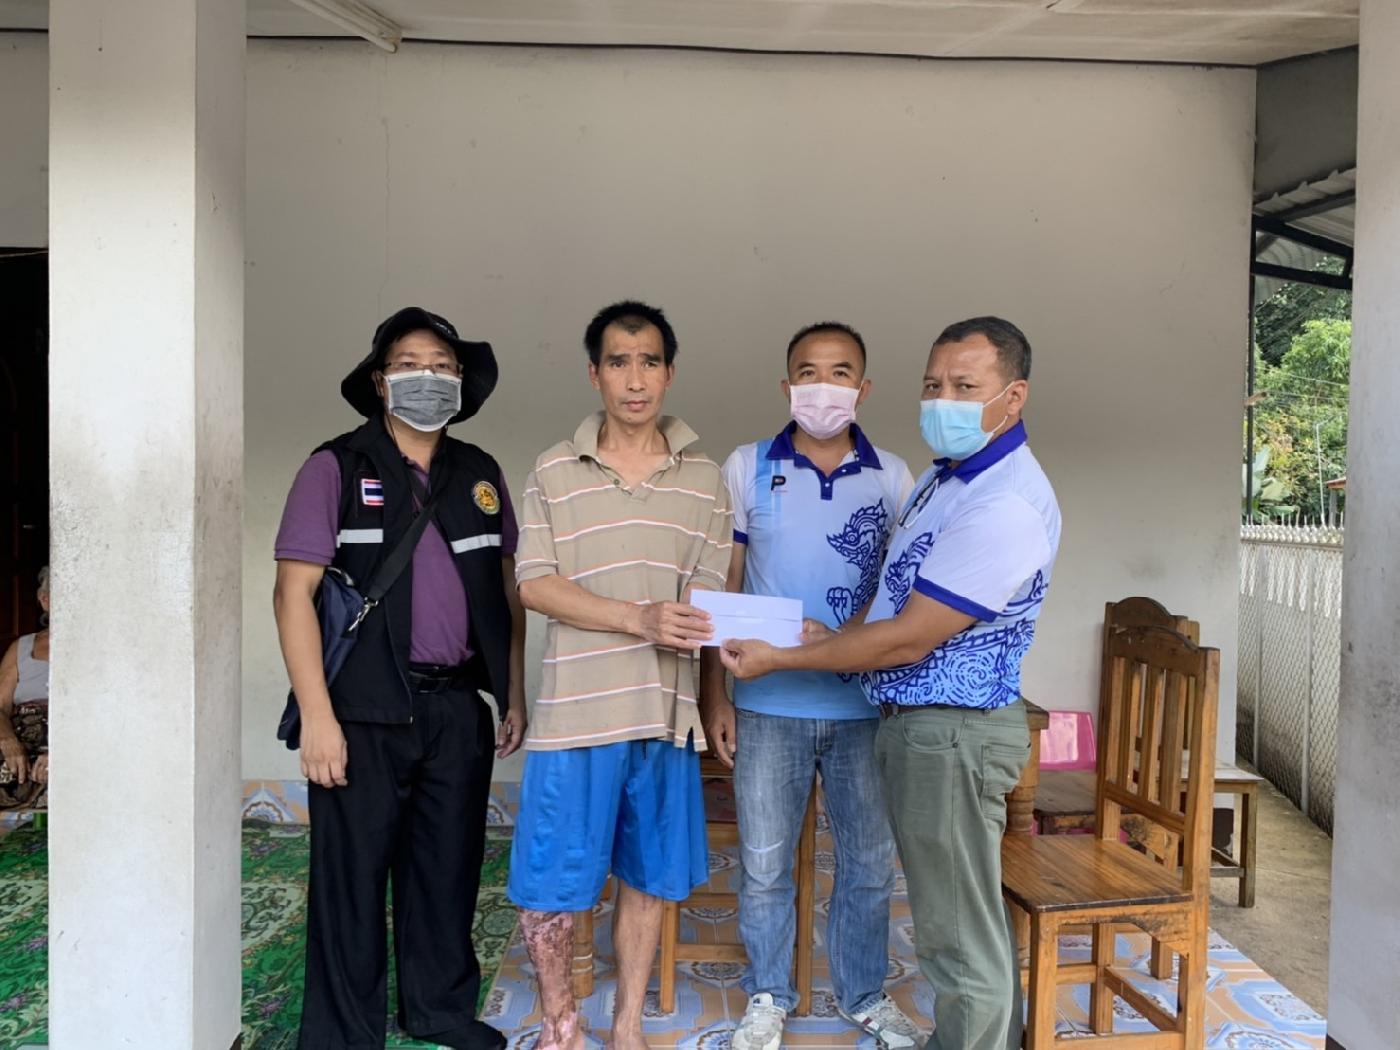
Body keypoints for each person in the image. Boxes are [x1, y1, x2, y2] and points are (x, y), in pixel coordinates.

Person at [721, 317, 1060, 1050]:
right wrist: (817, 645)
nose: (944, 401)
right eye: (935, 385)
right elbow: (891, 595)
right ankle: (772, 994)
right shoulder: (945, 479)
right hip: (883, 717)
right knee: (936, 917)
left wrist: (790, 656)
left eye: (965, 387)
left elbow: (910, 633)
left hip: (939, 725)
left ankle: (873, 998)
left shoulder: (993, 498)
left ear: (1013, 396)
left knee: (934, 911)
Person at [273, 307, 527, 1050]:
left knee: (447, 869)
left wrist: (510, 692)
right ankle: (343, 1035)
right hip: (359, 712)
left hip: (456, 708)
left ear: (462, 382)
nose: (429, 377)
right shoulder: (334, 468)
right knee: (351, 879)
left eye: (443, 366)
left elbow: (507, 590)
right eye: (411, 364)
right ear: (381, 382)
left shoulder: (479, 474)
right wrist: (318, 718)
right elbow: (292, 595)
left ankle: (439, 1011)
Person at [508, 300, 733, 1050]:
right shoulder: (553, 470)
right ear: (594, 374)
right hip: (575, 716)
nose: (634, 379)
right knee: (549, 885)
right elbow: (535, 584)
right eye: (618, 362)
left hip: (663, 718)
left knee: (647, 877)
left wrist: (720, 684)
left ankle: (628, 1022)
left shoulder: (705, 479)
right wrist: (638, 618)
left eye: (648, 362)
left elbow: (708, 602)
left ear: (669, 373)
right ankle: (560, 1024)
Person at [700, 322, 920, 1050]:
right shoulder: (747, 466)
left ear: (864, 388)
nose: (823, 386)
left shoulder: (894, 477)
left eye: (840, 372)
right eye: (808, 372)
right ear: (786, 385)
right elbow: (724, 589)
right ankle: (769, 995)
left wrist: (847, 643)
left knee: (867, 864)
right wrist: (715, 696)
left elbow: (902, 588)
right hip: (767, 706)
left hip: (865, 707)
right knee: (764, 866)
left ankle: (864, 995)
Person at [0, 567, 50, 810]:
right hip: (20, 741)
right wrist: (7, 740)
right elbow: (1, 706)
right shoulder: (20, 647)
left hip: (70, 739)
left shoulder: (98, 648)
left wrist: (61, 750)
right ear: (44, 600)